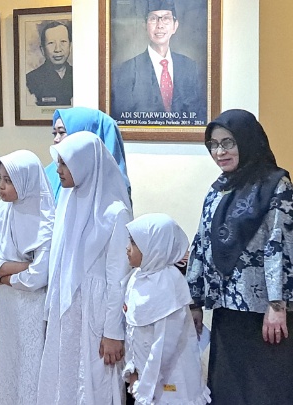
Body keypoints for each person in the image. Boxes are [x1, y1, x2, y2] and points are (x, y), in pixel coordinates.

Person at [186, 109, 293, 405]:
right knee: (227, 390)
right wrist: (194, 302)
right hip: (226, 309)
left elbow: (280, 245)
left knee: (265, 391)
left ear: (247, 140)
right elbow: (201, 244)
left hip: (265, 314)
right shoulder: (217, 190)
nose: (220, 152)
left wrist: (277, 305)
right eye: (213, 145)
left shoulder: (275, 185)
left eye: (228, 143)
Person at [37, 133, 132, 405]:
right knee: (63, 379)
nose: (58, 170)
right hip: (67, 311)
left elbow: (119, 278)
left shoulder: (115, 212)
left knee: (93, 382)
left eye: (65, 164)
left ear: (85, 164)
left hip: (96, 314)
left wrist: (113, 332)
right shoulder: (68, 200)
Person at [0, 150, 54, 404]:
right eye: (1, 179)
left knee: (29, 363)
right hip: (7, 303)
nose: (1, 186)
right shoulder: (3, 210)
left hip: (33, 305)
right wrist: (23, 265)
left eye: (9, 181)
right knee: (5, 361)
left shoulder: (46, 217)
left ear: (26, 181)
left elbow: (38, 277)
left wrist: (5, 276)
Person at [122, 213, 211, 404]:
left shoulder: (169, 286)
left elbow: (164, 348)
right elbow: (131, 330)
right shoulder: (136, 279)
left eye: (134, 242)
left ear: (155, 247)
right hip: (144, 380)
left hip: (171, 381)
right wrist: (133, 370)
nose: (127, 248)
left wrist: (145, 388)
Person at [111, 0, 206, 125]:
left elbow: (199, 113)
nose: (160, 25)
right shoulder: (127, 69)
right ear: (144, 25)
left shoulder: (189, 67)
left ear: (175, 26)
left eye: (166, 18)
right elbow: (122, 117)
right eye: (153, 19)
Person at [44, 107, 130, 203]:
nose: (56, 139)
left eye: (61, 132)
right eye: (54, 133)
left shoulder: (115, 190)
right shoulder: (48, 174)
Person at [26, 21, 73, 106]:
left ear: (70, 46)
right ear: (43, 50)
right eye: (51, 43)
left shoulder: (80, 76)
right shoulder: (30, 80)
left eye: (63, 42)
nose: (58, 49)